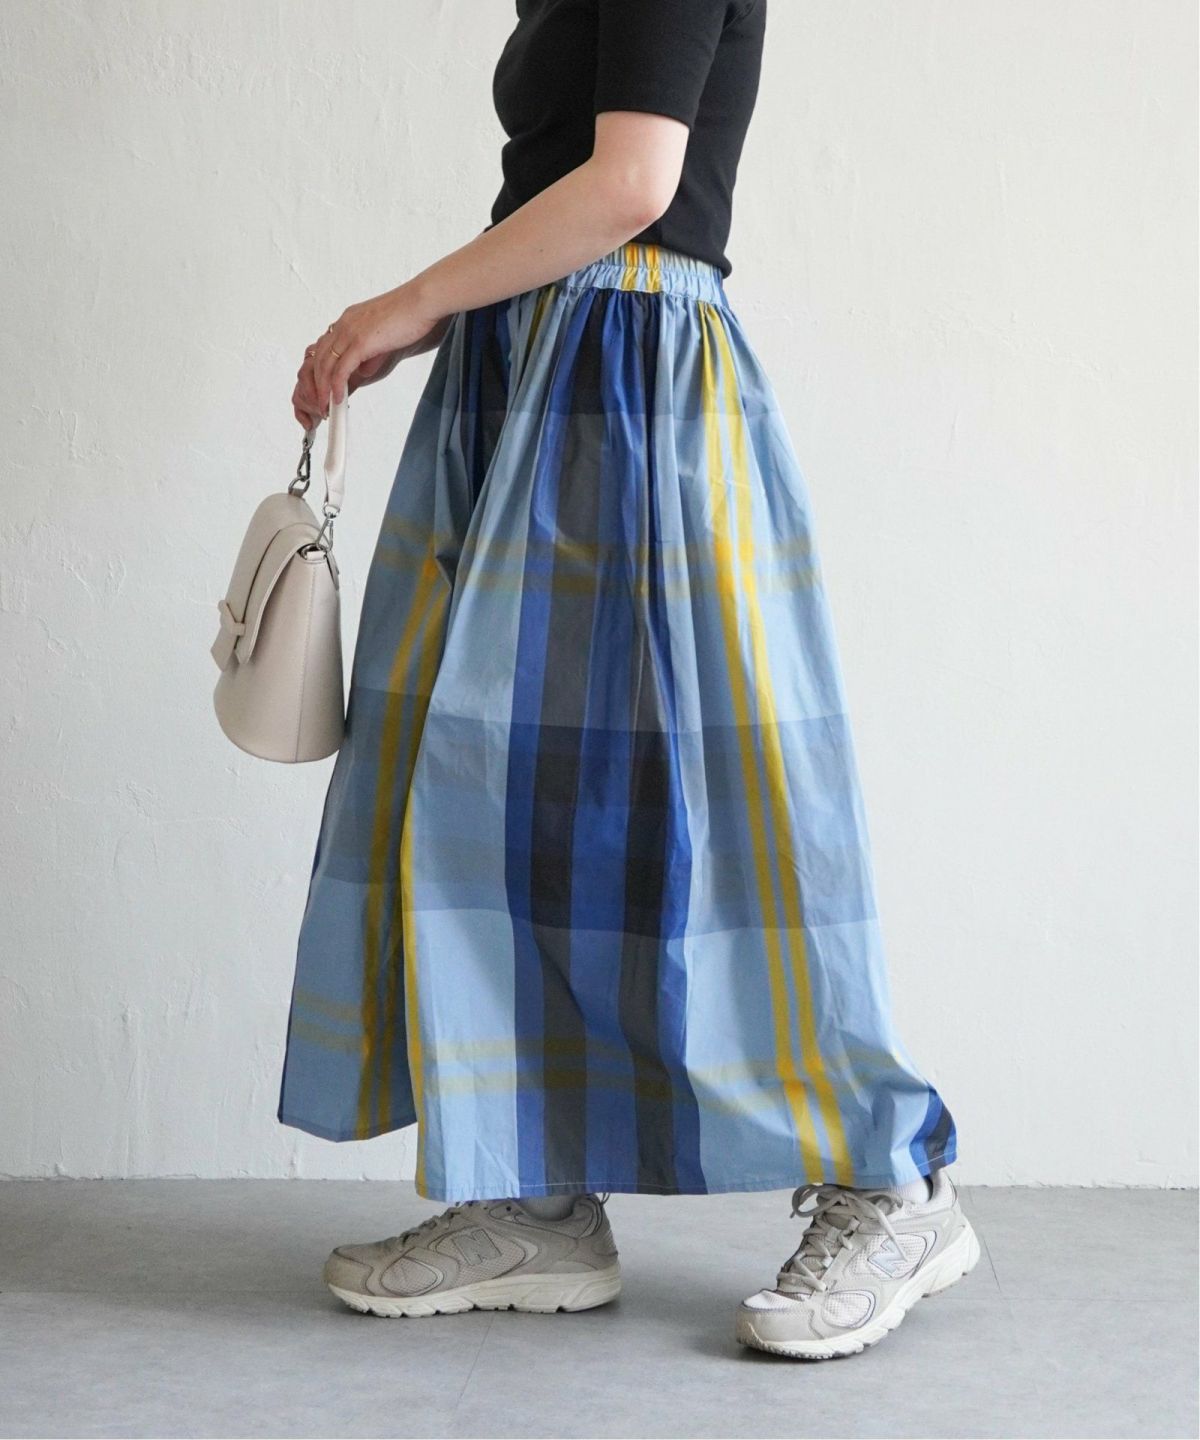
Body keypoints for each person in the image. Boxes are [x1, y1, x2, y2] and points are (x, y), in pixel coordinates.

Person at [282, 0, 976, 1360]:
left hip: (628, 374)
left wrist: (406, 303)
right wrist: (452, 317)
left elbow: (634, 182)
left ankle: (895, 1181)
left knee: (725, 813)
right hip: (537, 369)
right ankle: (540, 1190)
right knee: (505, 804)